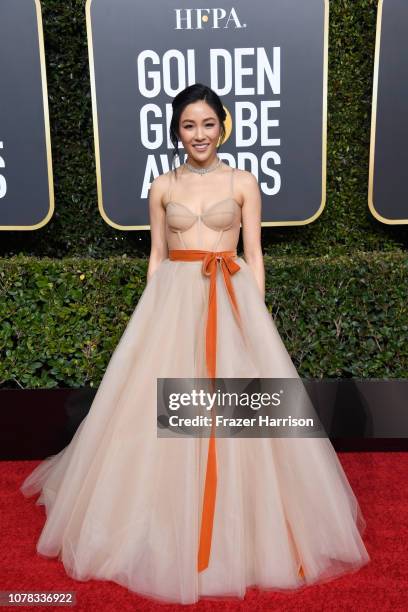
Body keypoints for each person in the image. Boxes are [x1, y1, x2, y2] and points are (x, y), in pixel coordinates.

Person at [20, 83, 370, 605]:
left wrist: (251, 319)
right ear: (176, 131)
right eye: (189, 125)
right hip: (173, 308)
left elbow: (255, 255)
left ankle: (248, 528)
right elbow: (157, 258)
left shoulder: (244, 182)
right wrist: (150, 316)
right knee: (158, 413)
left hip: (230, 302)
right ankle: (159, 521)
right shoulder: (162, 186)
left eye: (208, 123)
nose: (199, 134)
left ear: (222, 126)